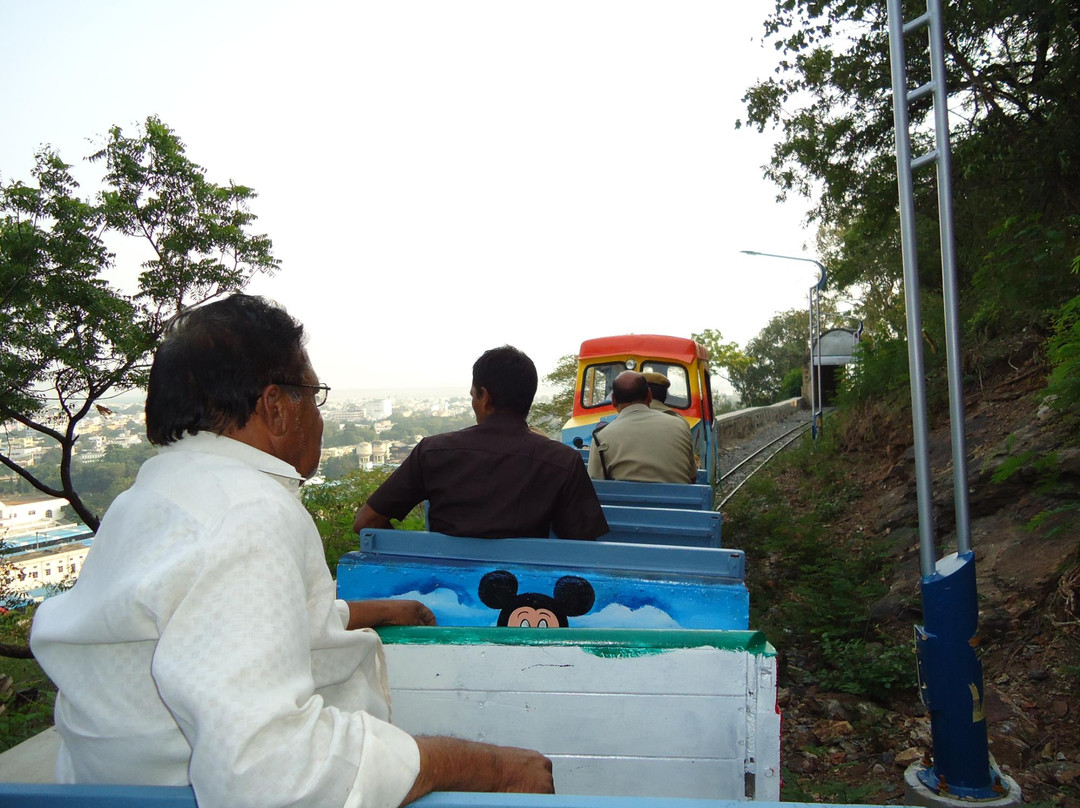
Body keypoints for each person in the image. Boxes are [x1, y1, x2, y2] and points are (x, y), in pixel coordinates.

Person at [30, 295, 553, 808]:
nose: (320, 419)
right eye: (314, 394)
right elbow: (272, 775)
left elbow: (209, 622)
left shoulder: (149, 496)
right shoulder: (247, 513)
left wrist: (370, 611)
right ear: (276, 407)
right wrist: (492, 770)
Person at [354, 346, 607, 540]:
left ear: (484, 397)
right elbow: (582, 545)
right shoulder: (563, 462)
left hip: (443, 589)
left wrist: (422, 553)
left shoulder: (432, 452)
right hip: (524, 601)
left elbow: (366, 522)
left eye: (474, 394)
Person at [588, 371, 697, 484]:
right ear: (649, 395)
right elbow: (692, 476)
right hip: (679, 501)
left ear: (614, 401)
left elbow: (596, 485)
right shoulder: (680, 426)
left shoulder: (601, 437)